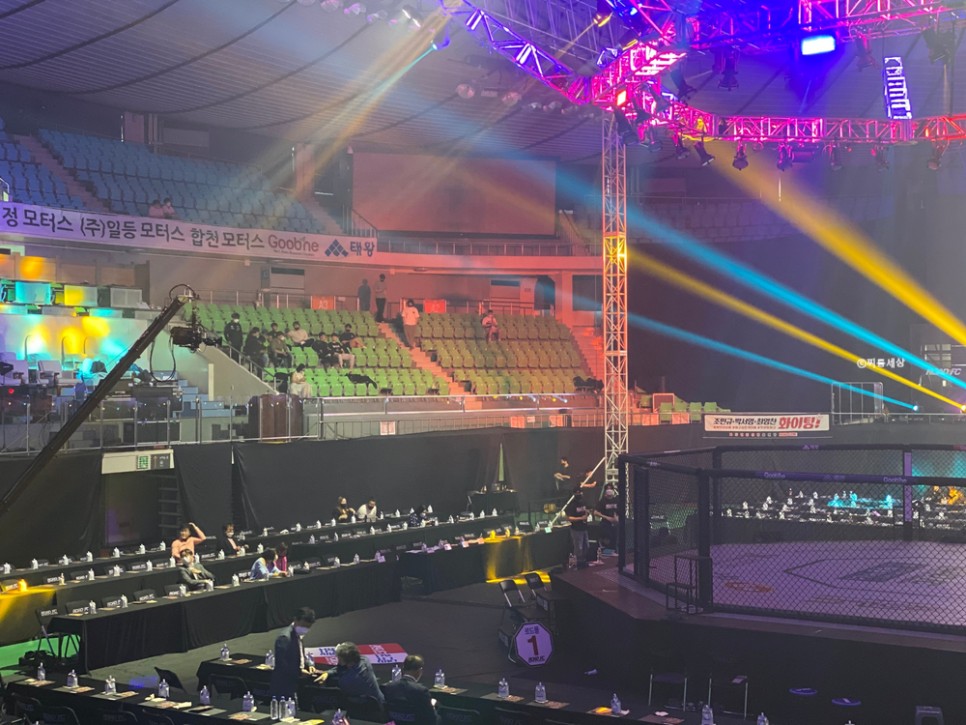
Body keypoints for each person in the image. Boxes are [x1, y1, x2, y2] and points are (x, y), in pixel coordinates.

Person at [270, 607, 317, 699]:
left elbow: (300, 654)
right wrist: (299, 672)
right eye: (303, 626)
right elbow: (281, 664)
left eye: (308, 627)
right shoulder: (285, 638)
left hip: (294, 681)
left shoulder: (298, 635)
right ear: (295, 620)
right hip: (283, 685)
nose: (305, 629)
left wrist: (308, 665)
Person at [316, 641, 384, 704]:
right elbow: (343, 667)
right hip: (379, 702)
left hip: (363, 707)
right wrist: (327, 673)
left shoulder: (346, 680)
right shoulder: (365, 660)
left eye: (339, 658)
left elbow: (340, 670)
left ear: (343, 661)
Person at [382, 654, 439, 725]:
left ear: (403, 669)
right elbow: (431, 718)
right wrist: (432, 705)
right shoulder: (421, 691)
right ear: (420, 671)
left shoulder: (389, 687)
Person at [565, 486, 590, 568]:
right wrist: (581, 518)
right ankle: (577, 563)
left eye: (580, 492)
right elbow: (569, 518)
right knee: (578, 547)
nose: (579, 494)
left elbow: (588, 510)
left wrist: (587, 513)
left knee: (586, 546)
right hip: (576, 529)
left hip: (584, 527)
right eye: (577, 492)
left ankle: (583, 561)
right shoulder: (572, 504)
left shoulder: (584, 502)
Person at [595, 483, 620, 556]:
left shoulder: (616, 500)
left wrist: (617, 518)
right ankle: (606, 554)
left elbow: (619, 511)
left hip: (615, 524)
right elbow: (596, 512)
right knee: (607, 540)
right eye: (607, 489)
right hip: (605, 524)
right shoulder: (602, 501)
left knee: (614, 539)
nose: (609, 490)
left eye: (611, 489)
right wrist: (606, 517)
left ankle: (614, 553)